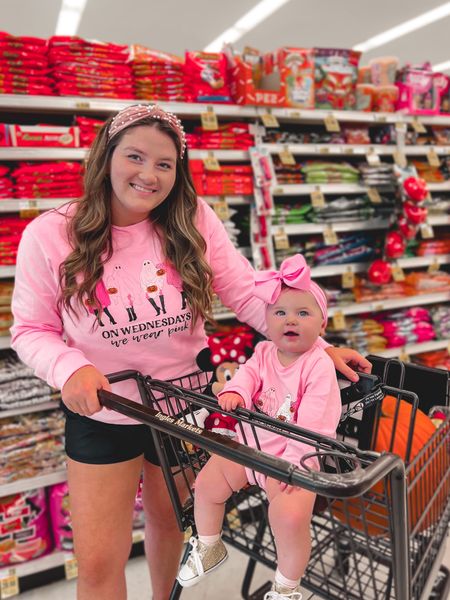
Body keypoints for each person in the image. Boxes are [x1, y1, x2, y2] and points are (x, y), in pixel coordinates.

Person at [10, 104, 371, 600]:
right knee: (97, 560)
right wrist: (70, 367)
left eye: (165, 164)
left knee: (171, 529)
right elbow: (30, 328)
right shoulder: (51, 234)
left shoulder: (192, 219)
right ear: (106, 156)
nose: (149, 175)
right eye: (135, 156)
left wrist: (317, 348)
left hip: (185, 405)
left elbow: (247, 293)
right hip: (104, 411)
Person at [177, 254, 341, 600]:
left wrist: (294, 468)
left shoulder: (318, 366)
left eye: (303, 313)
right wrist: (236, 390)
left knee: (288, 517)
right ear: (266, 320)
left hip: (296, 461)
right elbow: (248, 375)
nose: (289, 321)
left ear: (322, 326)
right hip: (251, 449)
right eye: (280, 313)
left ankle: (287, 586)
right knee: (206, 484)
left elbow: (315, 426)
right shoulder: (264, 351)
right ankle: (208, 544)